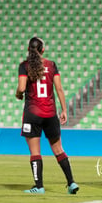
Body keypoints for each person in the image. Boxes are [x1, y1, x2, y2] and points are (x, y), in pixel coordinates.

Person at [16, 37, 79, 194]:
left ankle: (39, 186)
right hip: (51, 114)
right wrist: (64, 110)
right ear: (43, 50)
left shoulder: (24, 66)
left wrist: (18, 94)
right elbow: (59, 89)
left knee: (35, 152)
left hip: (32, 114)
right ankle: (71, 183)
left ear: (28, 49)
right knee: (58, 149)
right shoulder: (51, 65)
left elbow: (22, 88)